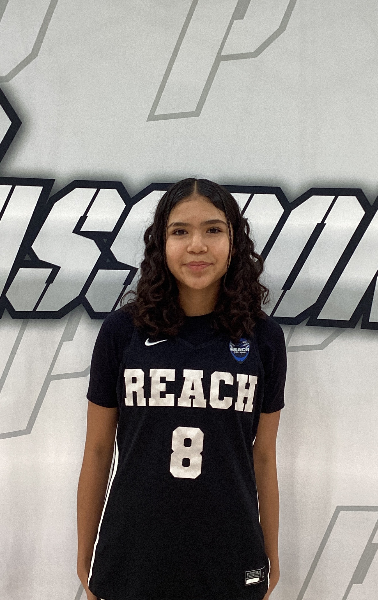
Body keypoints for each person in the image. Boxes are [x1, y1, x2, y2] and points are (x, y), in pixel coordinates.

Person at [77, 178, 287, 600]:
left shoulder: (263, 337)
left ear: (234, 242)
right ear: (161, 242)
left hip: (230, 550)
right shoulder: (122, 332)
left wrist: (271, 552)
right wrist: (85, 551)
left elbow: (263, 455)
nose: (197, 245)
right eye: (180, 231)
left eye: (213, 229)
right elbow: (98, 450)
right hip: (132, 551)